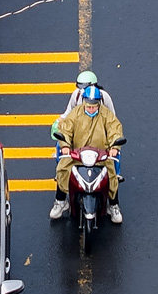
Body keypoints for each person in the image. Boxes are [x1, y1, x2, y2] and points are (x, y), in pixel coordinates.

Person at [51, 83, 125, 224]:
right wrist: (65, 146)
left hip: (101, 155)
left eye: (94, 106)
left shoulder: (106, 115)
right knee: (62, 169)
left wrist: (114, 146)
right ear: (84, 102)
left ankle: (114, 205)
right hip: (77, 154)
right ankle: (60, 201)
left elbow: (115, 129)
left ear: (98, 104)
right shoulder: (75, 113)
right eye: (88, 105)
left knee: (112, 175)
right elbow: (65, 129)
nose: (91, 108)